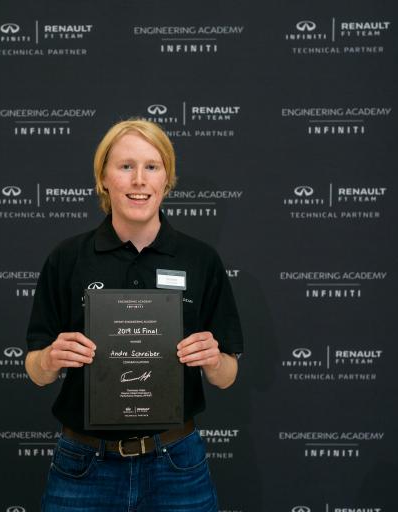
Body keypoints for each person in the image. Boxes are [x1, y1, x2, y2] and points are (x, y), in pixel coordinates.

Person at [25, 118, 244, 511]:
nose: (139, 180)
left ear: (166, 179)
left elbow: (228, 376)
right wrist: (50, 358)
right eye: (126, 166)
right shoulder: (68, 258)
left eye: (152, 166)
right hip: (83, 464)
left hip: (176, 464)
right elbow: (36, 371)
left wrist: (213, 360)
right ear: (104, 178)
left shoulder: (201, 260)